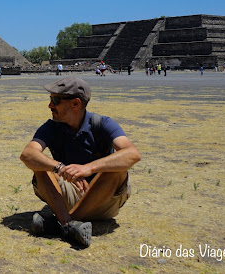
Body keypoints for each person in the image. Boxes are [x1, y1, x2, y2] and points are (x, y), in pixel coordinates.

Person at [20, 77, 141, 247]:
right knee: (39, 165)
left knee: (118, 169)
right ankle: (69, 225)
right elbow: (28, 154)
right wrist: (60, 168)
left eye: (55, 100)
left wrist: (88, 168)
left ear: (75, 104)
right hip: (69, 196)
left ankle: (62, 223)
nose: (50, 106)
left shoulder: (102, 124)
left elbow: (132, 154)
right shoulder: (52, 127)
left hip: (104, 201)